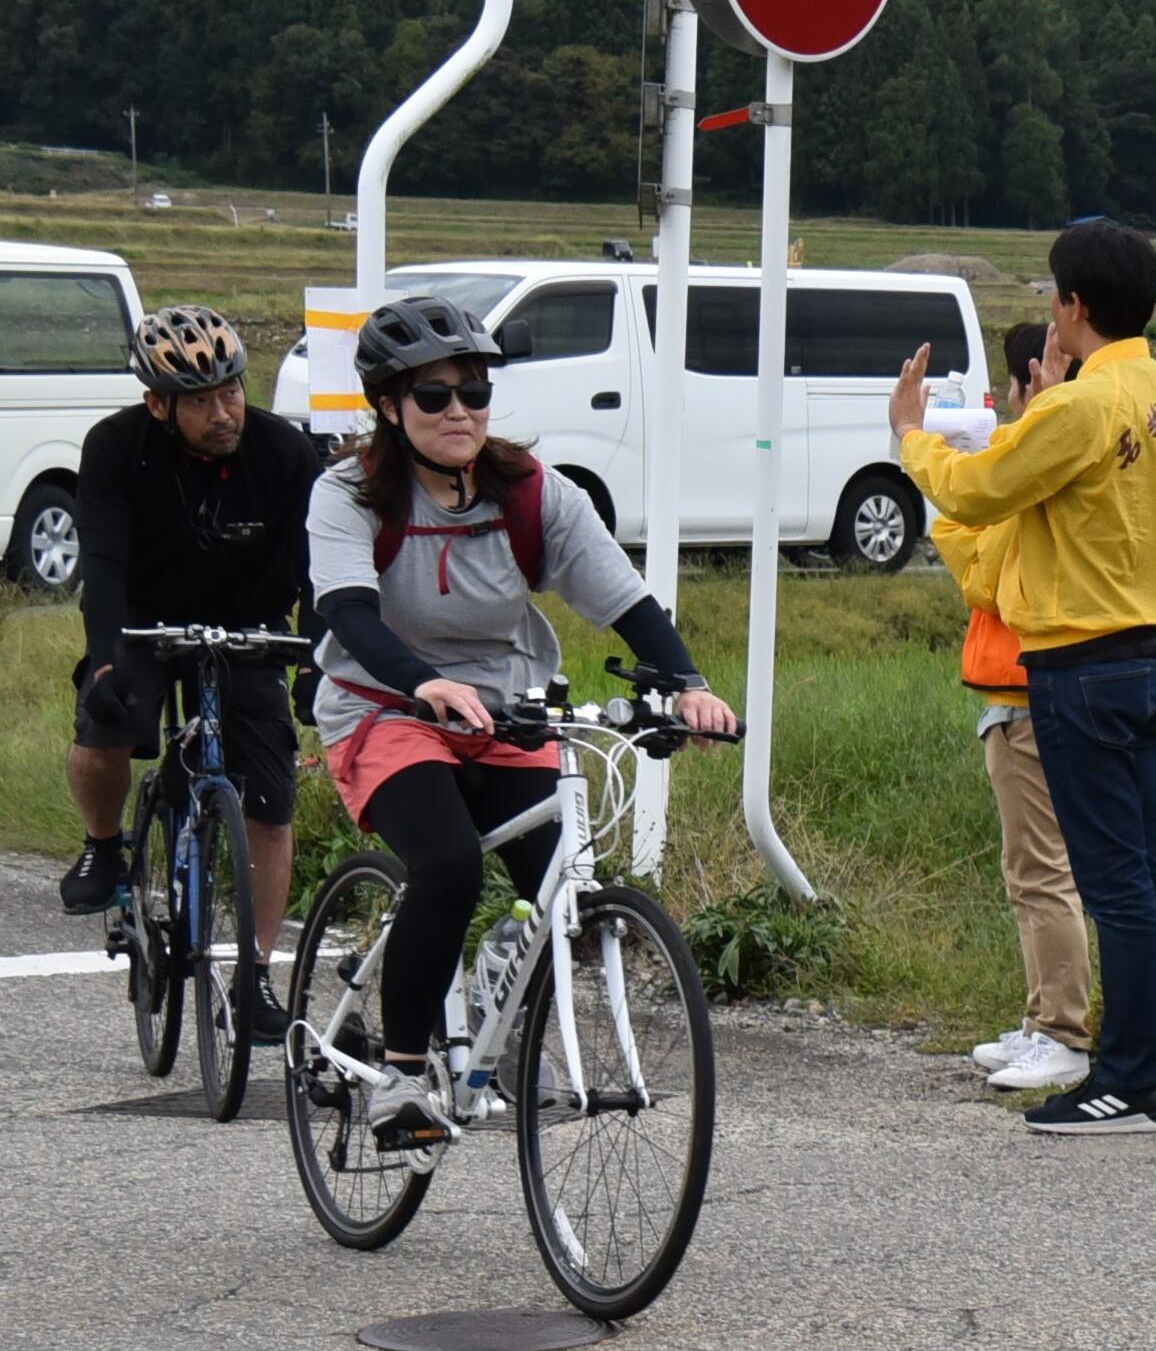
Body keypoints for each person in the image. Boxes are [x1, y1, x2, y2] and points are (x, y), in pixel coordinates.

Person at [307, 296, 737, 1143]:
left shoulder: (534, 494)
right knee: (449, 863)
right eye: (433, 397)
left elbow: (626, 599)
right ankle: (399, 1079)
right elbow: (351, 615)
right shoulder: (349, 492)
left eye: (473, 392)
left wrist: (686, 681)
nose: (459, 412)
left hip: (507, 709)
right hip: (384, 708)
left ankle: (499, 1003)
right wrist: (424, 683)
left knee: (555, 881)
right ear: (390, 406)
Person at [892, 220, 1156, 1135]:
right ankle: (1145, 1066)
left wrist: (912, 437)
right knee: (1151, 878)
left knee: (1114, 885)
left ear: (1076, 306)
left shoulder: (1083, 406)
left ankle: (1128, 1080)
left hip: (1081, 665)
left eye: (1053, 296)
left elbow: (979, 488)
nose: (1049, 313)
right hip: (1151, 654)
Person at [62, 304, 318, 1046]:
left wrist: (318, 658)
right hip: (145, 616)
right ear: (157, 404)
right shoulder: (115, 446)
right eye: (200, 402)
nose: (222, 412)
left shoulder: (284, 452)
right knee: (106, 726)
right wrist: (106, 653)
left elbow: (320, 572)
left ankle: (256, 975)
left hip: (248, 623)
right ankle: (106, 847)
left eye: (231, 392)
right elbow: (102, 564)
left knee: (271, 806)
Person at [933, 321, 1094, 1098]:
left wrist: (952, 493)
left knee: (1042, 872)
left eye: (1014, 387)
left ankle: (1063, 1031)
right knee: (1030, 869)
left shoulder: (1038, 467)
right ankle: (1042, 1020)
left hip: (1028, 695)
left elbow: (984, 576)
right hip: (1023, 695)